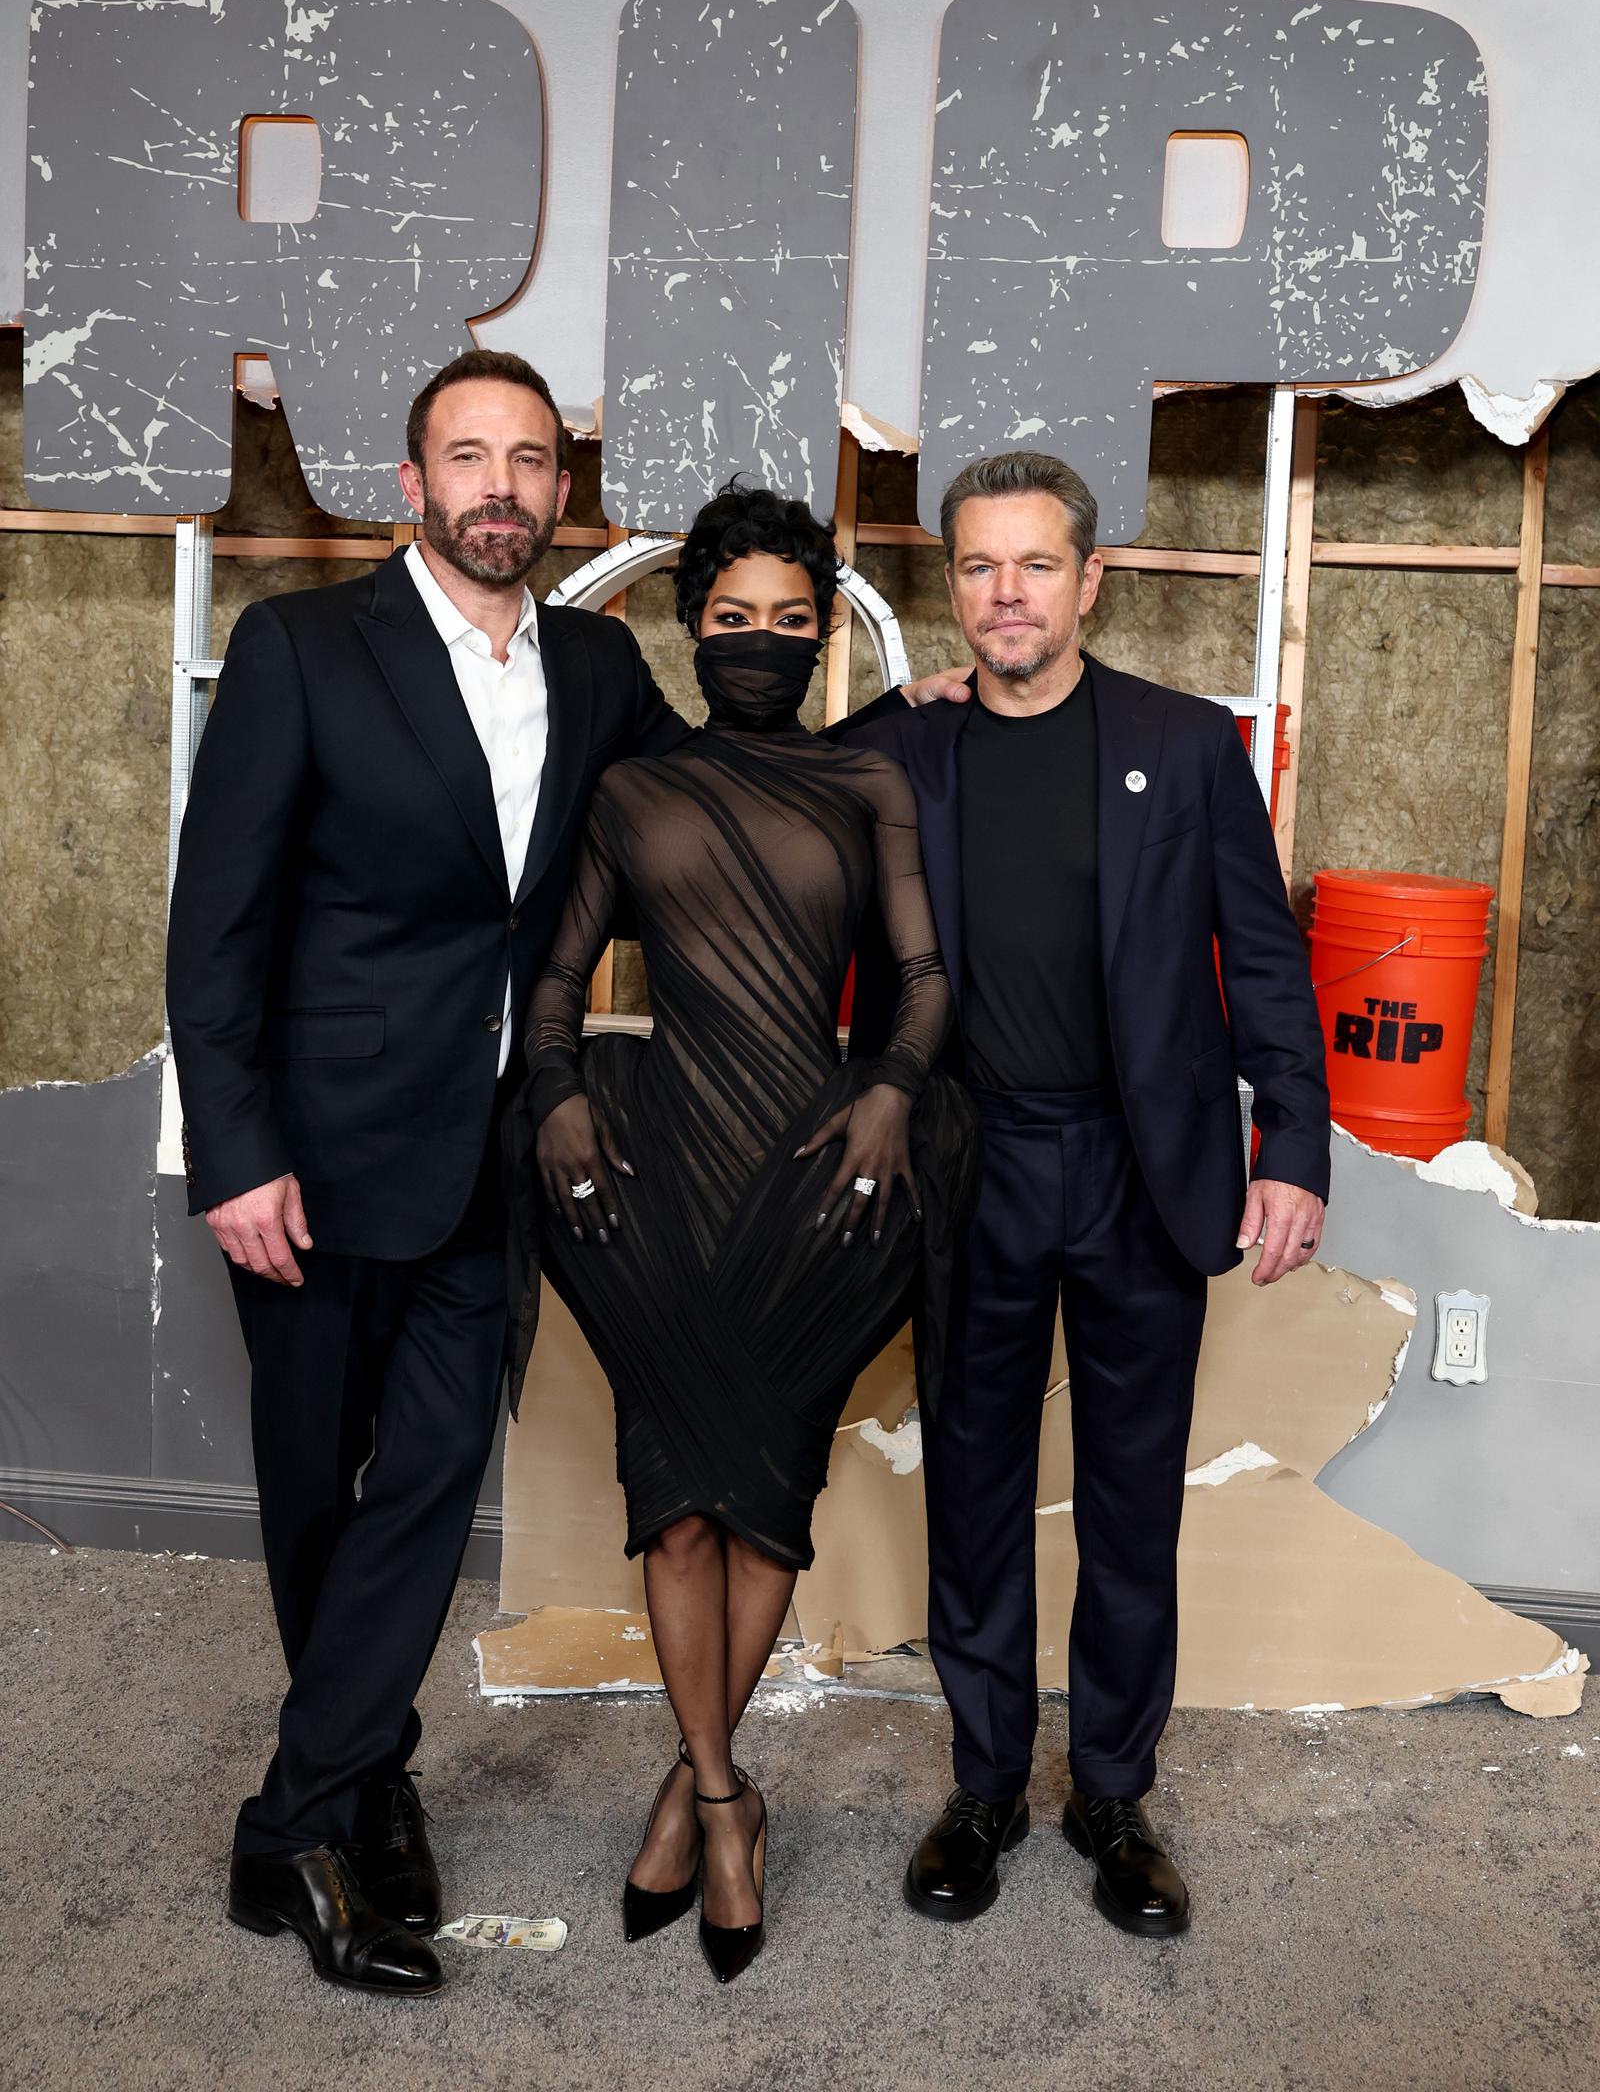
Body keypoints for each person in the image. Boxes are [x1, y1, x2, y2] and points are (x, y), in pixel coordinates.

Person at [165, 349, 697, 1995]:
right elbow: (218, 924)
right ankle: (361, 1775)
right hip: (316, 1162)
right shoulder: (303, 648)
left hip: (500, 1154)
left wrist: (921, 726)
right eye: (468, 458)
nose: (501, 489)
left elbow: (723, 798)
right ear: (411, 486)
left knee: (431, 1478)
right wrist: (236, 1155)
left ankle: (296, 1830)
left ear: (560, 491)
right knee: (320, 1494)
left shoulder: (600, 665)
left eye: (530, 462)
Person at [841, 449, 1331, 1939]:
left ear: (1089, 578)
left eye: (1035, 565)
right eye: (979, 568)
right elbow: (762, 810)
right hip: (970, 1160)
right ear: (952, 589)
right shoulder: (902, 751)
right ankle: (986, 1781)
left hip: (1140, 1168)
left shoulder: (1186, 748)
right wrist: (886, 705)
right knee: (975, 1492)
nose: (1007, 594)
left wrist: (1293, 1151)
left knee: (1130, 1501)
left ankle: (1112, 1791)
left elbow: (1263, 958)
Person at [516, 483, 978, 1982]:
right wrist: (558, 1095)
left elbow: (922, 979)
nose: (763, 645)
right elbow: (554, 980)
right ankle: (726, 1800)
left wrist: (901, 1088)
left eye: (793, 621)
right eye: (734, 621)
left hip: (817, 1170)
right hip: (656, 1170)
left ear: (823, 632)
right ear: (691, 630)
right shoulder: (632, 793)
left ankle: (698, 1793)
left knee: (766, 1489)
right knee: (678, 1496)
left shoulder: (867, 784)